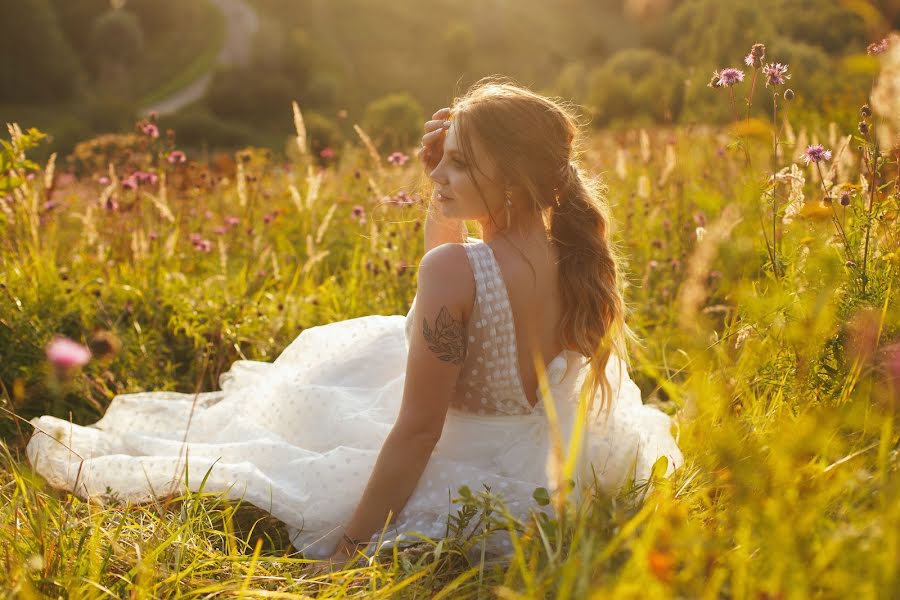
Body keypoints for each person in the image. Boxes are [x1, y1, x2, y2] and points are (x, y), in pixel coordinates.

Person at [25, 77, 685, 573]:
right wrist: (450, 180)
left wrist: (346, 551)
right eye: (443, 159)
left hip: (452, 448)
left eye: (458, 162)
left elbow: (420, 428)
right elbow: (457, 273)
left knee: (286, 418)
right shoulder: (577, 254)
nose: (438, 173)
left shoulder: (456, 272)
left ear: (509, 178)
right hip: (536, 452)